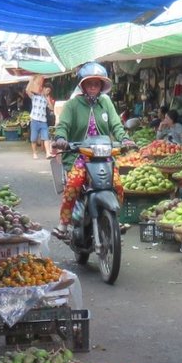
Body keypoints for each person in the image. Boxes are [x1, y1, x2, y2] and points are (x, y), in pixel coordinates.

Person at [53, 61, 128, 235]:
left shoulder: (106, 102)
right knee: (73, 184)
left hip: (104, 156)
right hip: (80, 156)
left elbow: (116, 125)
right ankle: (63, 224)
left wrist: (124, 139)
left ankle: (117, 218)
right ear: (83, 85)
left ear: (102, 86)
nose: (93, 86)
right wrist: (61, 138)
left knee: (117, 184)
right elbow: (63, 125)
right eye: (89, 83)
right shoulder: (72, 105)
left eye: (97, 83)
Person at [26, 75, 52, 160]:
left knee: (46, 137)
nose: (48, 92)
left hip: (43, 121)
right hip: (34, 120)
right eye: (47, 90)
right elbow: (27, 91)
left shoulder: (47, 99)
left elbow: (52, 108)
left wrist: (48, 101)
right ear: (43, 88)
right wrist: (31, 80)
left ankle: (48, 153)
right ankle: (34, 153)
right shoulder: (35, 97)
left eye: (49, 91)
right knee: (34, 139)